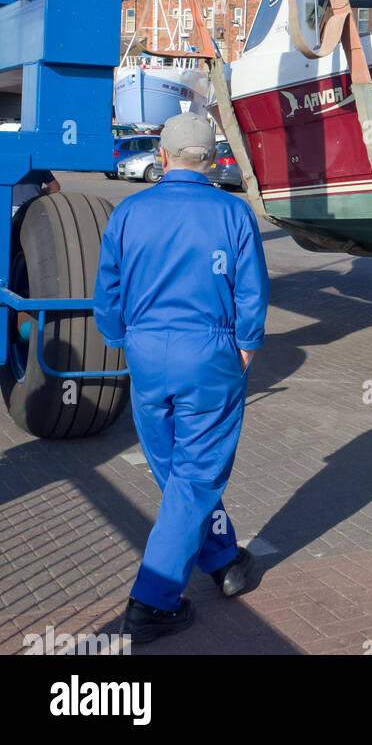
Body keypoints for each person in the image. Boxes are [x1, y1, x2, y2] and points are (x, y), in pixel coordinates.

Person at [93, 112, 270, 645]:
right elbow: (251, 292)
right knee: (194, 476)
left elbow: (108, 292)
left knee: (175, 470)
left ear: (164, 156)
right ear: (213, 157)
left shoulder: (129, 211)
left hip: (147, 354)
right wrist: (246, 347)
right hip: (209, 352)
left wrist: (120, 339)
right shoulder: (232, 212)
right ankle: (151, 601)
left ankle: (222, 558)